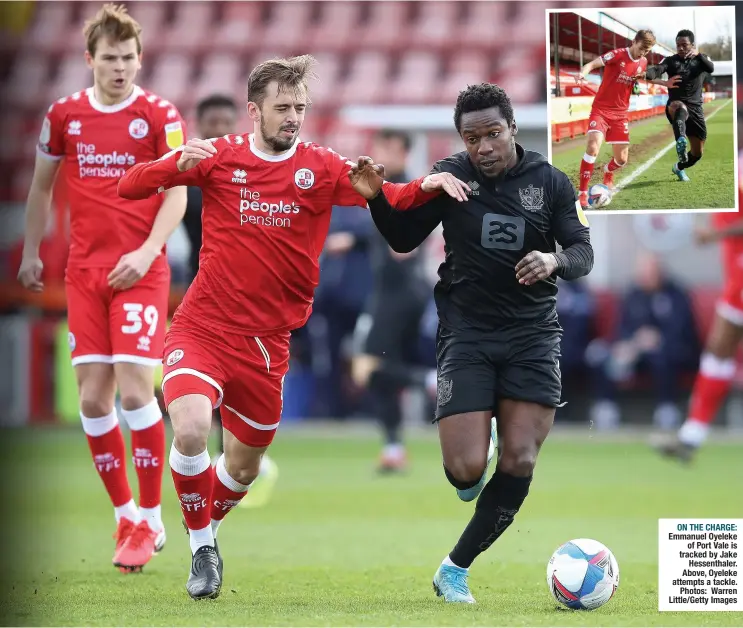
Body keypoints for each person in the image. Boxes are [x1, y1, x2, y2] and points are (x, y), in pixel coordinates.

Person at [117, 54, 467, 600]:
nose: (293, 117)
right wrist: (173, 161)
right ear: (254, 110)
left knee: (242, 468)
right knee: (188, 429)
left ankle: (200, 522)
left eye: (300, 107)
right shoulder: (218, 158)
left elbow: (390, 197)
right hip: (203, 327)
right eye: (283, 107)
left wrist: (432, 183)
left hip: (268, 344)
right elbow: (130, 187)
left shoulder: (322, 167)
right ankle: (203, 549)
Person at [350, 83, 594, 603]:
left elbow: (582, 250)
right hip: (467, 332)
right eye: (471, 137)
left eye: (492, 134)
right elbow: (401, 237)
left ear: (511, 129)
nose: (483, 147)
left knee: (521, 458)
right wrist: (377, 197)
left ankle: (455, 568)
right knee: (464, 473)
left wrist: (553, 260)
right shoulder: (452, 174)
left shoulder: (550, 182)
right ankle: (474, 445)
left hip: (533, 334)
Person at [16, 4, 188, 572]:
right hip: (85, 274)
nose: (122, 68)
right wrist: (31, 252)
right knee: (92, 399)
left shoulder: (159, 113)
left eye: (130, 58)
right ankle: (124, 515)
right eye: (111, 59)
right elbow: (41, 190)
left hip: (141, 271)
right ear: (90, 59)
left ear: (140, 60)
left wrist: (146, 252)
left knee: (137, 392)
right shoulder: (63, 115)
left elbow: (177, 194)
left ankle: (152, 513)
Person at [181, 93, 278, 505]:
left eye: (227, 121)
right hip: (199, 289)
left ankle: (232, 455)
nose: (220, 129)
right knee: (199, 381)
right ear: (200, 126)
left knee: (242, 382)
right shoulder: (190, 172)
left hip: (253, 296)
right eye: (212, 122)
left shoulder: (249, 170)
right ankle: (201, 461)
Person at [351, 129, 434, 472]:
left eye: (384, 148)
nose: (377, 154)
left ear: (401, 150)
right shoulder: (389, 188)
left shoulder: (400, 189)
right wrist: (353, 241)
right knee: (384, 370)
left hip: (397, 294)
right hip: (402, 292)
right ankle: (394, 448)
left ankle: (429, 382)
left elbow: (405, 243)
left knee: (366, 369)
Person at [654, 167, 743, 462]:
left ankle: (691, 435)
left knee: (720, 348)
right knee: (718, 351)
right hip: (736, 277)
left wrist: (715, 233)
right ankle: (691, 436)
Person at [576, 30, 657, 207]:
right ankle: (582, 193)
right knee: (592, 147)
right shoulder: (617, 54)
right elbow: (592, 64)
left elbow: (632, 80)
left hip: (620, 115)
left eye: (647, 51)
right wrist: (583, 73)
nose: (643, 53)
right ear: (634, 41)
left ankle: (607, 173)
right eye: (642, 48)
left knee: (621, 160)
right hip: (601, 110)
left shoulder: (643, 62)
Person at [644, 30, 715, 182]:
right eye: (678, 45)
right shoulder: (670, 61)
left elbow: (711, 68)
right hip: (675, 106)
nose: (681, 48)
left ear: (693, 45)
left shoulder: (701, 60)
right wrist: (650, 73)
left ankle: (679, 167)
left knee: (697, 154)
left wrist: (698, 55)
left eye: (685, 45)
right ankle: (680, 139)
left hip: (696, 109)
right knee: (680, 107)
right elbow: (656, 70)